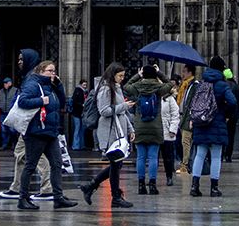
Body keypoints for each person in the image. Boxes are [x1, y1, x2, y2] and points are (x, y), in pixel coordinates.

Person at [14, 55, 76, 209]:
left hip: (50, 132)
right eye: (50, 71)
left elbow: (61, 102)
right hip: (36, 132)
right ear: (41, 71)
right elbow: (22, 101)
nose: (53, 74)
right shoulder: (33, 84)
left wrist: (59, 85)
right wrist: (41, 101)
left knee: (57, 164)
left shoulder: (50, 86)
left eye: (54, 71)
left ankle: (58, 197)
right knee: (30, 165)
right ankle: (23, 198)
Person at [79, 63, 134, 207]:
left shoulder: (117, 88)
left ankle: (92, 186)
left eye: (123, 75)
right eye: (120, 75)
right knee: (116, 164)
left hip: (118, 131)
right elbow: (104, 111)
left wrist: (130, 129)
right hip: (110, 132)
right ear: (112, 74)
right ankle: (115, 197)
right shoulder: (106, 89)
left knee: (116, 164)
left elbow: (122, 113)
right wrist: (124, 106)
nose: (122, 78)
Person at [185, 56, 238, 197]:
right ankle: (214, 188)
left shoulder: (201, 83)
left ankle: (194, 187)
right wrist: (225, 113)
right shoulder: (222, 85)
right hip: (217, 123)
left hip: (201, 123)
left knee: (200, 154)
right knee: (215, 156)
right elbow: (233, 102)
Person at [126, 65, 167, 195]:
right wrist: (159, 73)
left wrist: (138, 75)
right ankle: (153, 185)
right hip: (155, 127)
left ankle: (141, 185)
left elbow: (126, 85)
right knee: (153, 157)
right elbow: (170, 84)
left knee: (141, 157)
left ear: (143, 74)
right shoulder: (159, 88)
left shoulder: (137, 87)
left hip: (140, 126)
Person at [159, 74, 181, 185]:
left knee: (168, 156)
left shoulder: (169, 99)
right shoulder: (153, 97)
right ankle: (152, 179)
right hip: (155, 131)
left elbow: (175, 114)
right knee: (153, 157)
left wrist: (173, 129)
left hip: (167, 132)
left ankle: (169, 177)